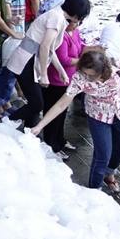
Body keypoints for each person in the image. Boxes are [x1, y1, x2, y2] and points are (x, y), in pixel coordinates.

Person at [29, 50, 120, 191]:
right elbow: (61, 104)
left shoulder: (118, 65)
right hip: (98, 116)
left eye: (91, 75)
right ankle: (95, 190)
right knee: (103, 154)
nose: (87, 77)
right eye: (85, 73)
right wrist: (40, 126)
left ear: (103, 71)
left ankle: (109, 172)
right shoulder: (79, 78)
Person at [5, 0, 92, 128]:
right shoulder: (56, 18)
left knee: (35, 102)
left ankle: (28, 132)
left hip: (31, 60)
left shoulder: (59, 17)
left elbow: (50, 49)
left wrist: (60, 70)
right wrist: (44, 75)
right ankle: (7, 122)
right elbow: (45, 46)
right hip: (26, 61)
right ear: (76, 15)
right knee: (37, 104)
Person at [41, 8, 84, 156]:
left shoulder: (76, 32)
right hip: (56, 79)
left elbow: (80, 47)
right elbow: (64, 59)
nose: (76, 25)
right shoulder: (61, 35)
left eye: (79, 22)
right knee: (53, 113)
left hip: (69, 79)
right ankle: (51, 145)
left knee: (62, 114)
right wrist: (82, 60)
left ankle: (60, 140)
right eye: (74, 21)